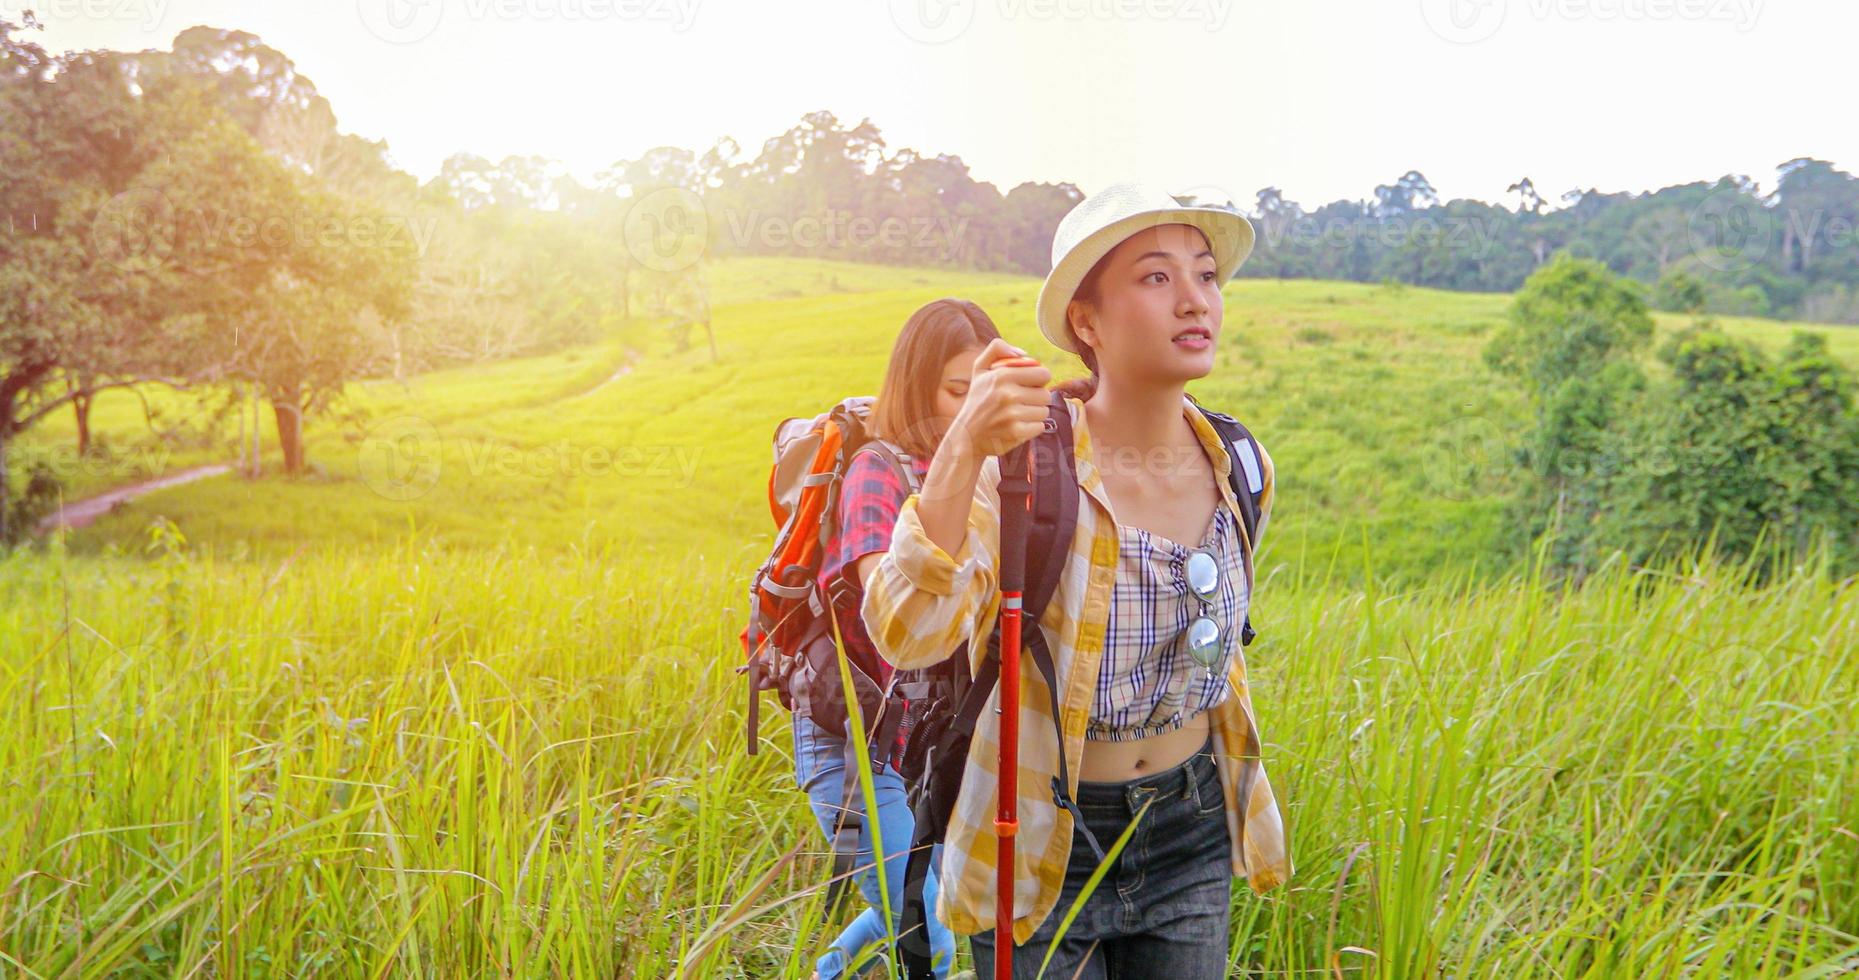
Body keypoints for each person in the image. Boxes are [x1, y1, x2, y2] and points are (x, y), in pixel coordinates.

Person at [860, 182, 1292, 978]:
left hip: (1191, 823)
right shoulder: (1025, 466)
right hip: (1037, 835)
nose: (1194, 300)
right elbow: (908, 632)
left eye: (1205, 275)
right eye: (1156, 278)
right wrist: (961, 451)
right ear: (1084, 322)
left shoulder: (1242, 464)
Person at [795, 298, 1001, 980]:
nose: (969, 411)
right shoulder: (878, 473)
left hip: (924, 745)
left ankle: (826, 971)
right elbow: (896, 626)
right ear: (916, 388)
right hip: (852, 745)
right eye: (954, 393)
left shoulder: (984, 476)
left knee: (938, 895)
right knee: (929, 927)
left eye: (983, 392)